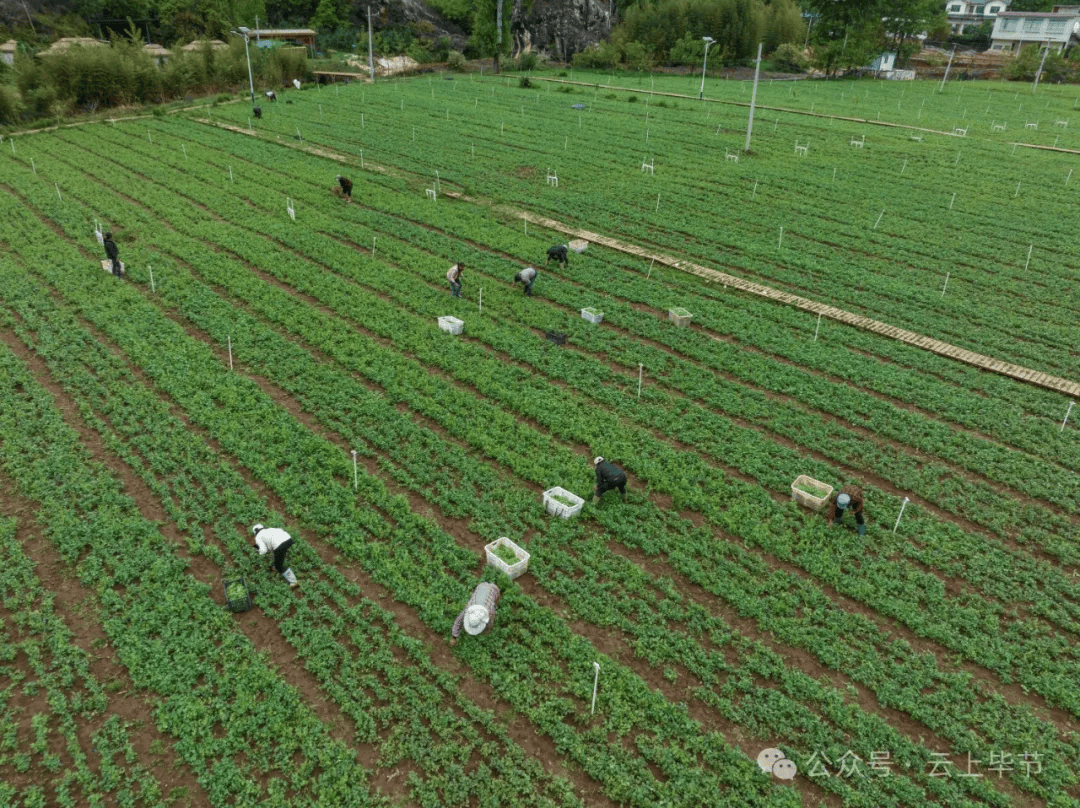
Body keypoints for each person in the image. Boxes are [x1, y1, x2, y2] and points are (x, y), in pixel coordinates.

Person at [450, 581, 500, 646]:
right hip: (481, 587)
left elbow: (491, 620)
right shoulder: (469, 609)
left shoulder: (489, 612)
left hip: (494, 591)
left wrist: (488, 629)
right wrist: (454, 637)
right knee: (475, 596)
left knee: (494, 604)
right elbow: (458, 621)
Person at [252, 523, 299, 587]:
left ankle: (293, 581)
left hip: (279, 545)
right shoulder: (269, 529)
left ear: (255, 532)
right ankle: (274, 566)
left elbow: (263, 550)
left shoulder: (258, 537)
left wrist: (259, 551)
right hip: (288, 539)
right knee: (279, 554)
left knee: (279, 566)